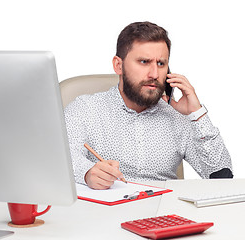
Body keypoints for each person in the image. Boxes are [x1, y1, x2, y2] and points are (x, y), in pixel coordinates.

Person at [64, 21, 233, 190]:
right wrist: (87, 173)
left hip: (165, 210)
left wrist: (197, 115)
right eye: (144, 62)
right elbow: (60, 158)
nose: (154, 74)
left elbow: (221, 176)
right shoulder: (85, 109)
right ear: (118, 65)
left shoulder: (178, 116)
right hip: (107, 211)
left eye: (161, 64)